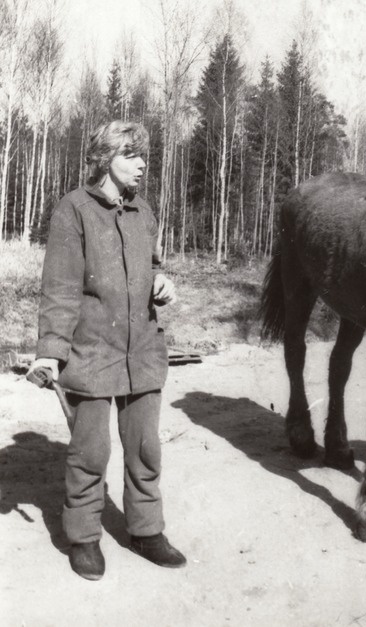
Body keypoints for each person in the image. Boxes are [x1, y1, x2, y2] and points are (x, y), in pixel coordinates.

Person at [29, 120, 186, 581]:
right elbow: (59, 288)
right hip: (92, 352)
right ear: (106, 157)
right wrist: (49, 352)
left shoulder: (144, 211)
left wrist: (162, 281)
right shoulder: (73, 210)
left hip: (143, 352)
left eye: (144, 157)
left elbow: (153, 264)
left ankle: (146, 529)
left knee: (145, 449)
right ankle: (83, 537)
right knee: (89, 452)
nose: (141, 166)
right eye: (132, 155)